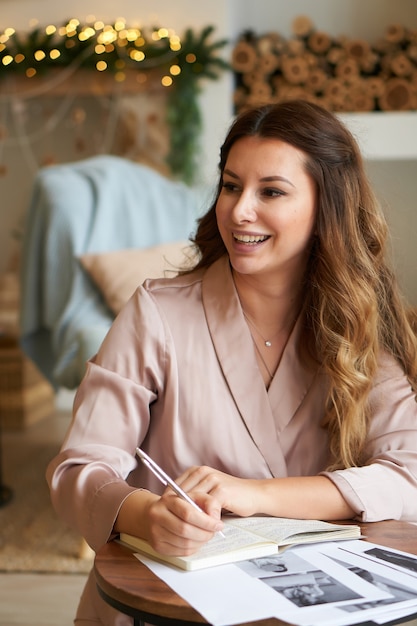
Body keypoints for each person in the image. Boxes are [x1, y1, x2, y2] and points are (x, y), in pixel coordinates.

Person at [46, 99, 417, 625]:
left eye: (271, 191)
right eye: (231, 185)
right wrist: (148, 516)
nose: (240, 210)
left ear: (326, 206)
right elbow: (78, 468)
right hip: (169, 604)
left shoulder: (360, 328)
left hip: (309, 604)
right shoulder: (157, 312)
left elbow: (411, 478)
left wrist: (254, 494)